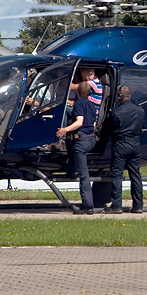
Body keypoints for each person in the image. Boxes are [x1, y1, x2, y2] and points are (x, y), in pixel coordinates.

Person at [57, 81, 97, 213]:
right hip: (91, 139)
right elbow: (94, 123)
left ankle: (87, 205)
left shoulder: (79, 103)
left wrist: (65, 130)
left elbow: (79, 122)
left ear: (78, 92)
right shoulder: (92, 105)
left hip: (81, 141)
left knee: (84, 174)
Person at [104, 85, 145, 214]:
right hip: (135, 144)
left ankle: (116, 205)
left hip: (121, 144)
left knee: (117, 175)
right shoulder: (139, 111)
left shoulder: (116, 112)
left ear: (119, 96)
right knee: (136, 175)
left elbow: (110, 128)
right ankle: (138, 205)